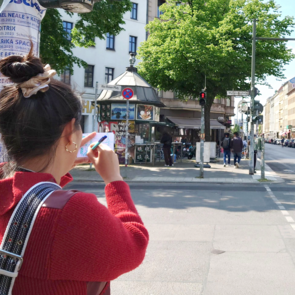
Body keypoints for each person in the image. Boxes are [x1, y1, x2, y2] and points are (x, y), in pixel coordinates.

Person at [0, 50, 149, 294]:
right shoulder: (73, 211)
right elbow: (135, 246)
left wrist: (58, 166)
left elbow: (22, 186)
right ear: (71, 131)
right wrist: (114, 181)